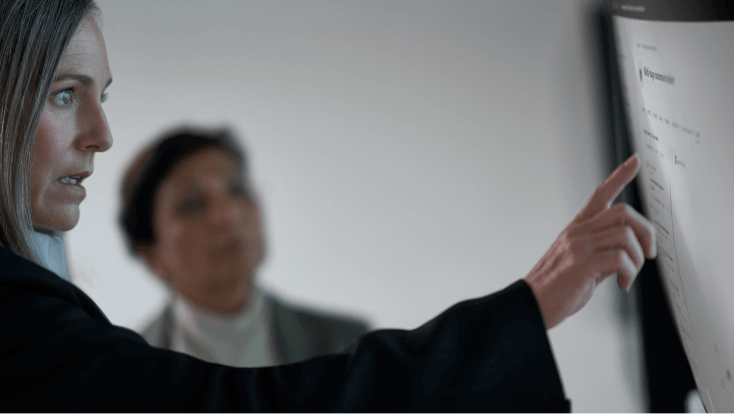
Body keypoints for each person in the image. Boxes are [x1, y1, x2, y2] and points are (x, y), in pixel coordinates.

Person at [0, 0, 656, 411]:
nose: (102, 134)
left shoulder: (337, 337)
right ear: (149, 252)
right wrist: (526, 308)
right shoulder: (34, 317)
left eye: (103, 97)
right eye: (65, 94)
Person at [118, 126, 369, 366]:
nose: (227, 215)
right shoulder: (128, 373)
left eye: (237, 190)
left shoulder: (349, 346)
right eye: (192, 204)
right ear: (151, 255)